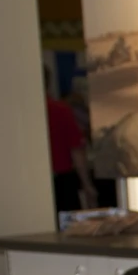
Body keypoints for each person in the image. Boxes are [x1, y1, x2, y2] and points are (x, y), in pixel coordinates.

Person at [47, 68, 94, 216]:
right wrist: (87, 185)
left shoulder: (16, 115)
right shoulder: (60, 110)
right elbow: (76, 150)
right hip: (62, 183)